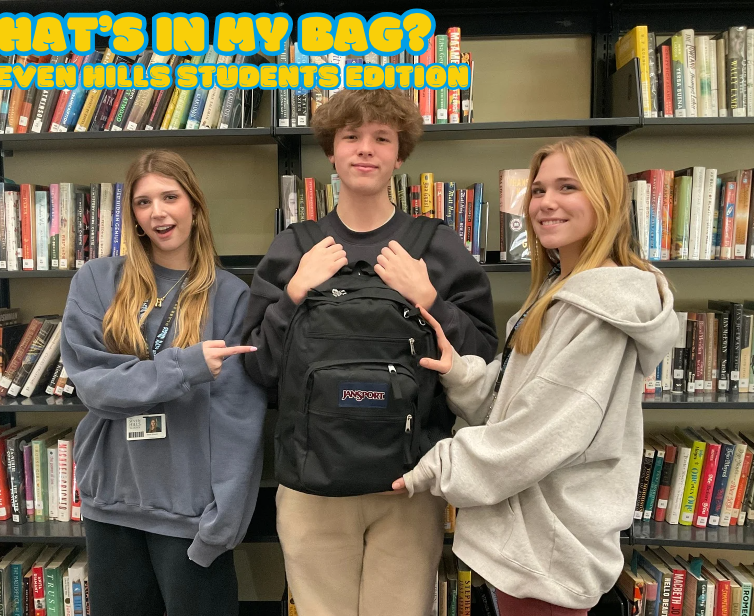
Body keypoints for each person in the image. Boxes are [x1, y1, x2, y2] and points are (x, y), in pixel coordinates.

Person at [393, 136, 680, 614]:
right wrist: (463, 375)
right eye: (539, 189)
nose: (546, 203)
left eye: (567, 187)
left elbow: (539, 434)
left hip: (551, 550)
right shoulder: (558, 292)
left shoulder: (598, 311)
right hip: (529, 540)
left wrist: (433, 468)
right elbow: (518, 399)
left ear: (605, 198)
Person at [241, 89, 498, 616]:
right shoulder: (294, 247)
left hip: (409, 484)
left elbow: (481, 365)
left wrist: (429, 299)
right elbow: (258, 366)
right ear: (330, 152)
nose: (365, 149)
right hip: (311, 487)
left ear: (400, 155)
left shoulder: (435, 244)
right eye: (351, 137)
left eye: (381, 138)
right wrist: (292, 295)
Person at [60, 150, 266, 616]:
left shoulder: (230, 295)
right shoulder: (96, 281)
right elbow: (95, 388)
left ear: (194, 204)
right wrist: (184, 367)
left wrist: (225, 518)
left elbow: (239, 418)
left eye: (170, 197)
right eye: (143, 202)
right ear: (131, 214)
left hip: (192, 515)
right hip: (111, 505)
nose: (158, 212)